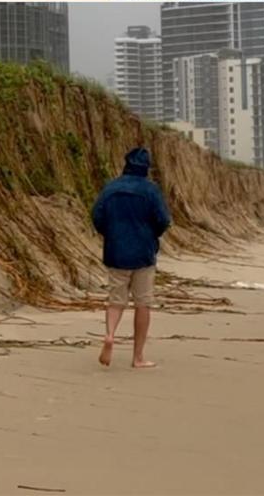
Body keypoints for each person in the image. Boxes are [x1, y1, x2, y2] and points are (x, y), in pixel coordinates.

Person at [92, 147, 171, 368]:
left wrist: (111, 234)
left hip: (116, 250)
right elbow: (163, 220)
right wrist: (151, 234)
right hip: (143, 252)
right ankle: (138, 357)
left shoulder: (111, 187)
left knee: (116, 300)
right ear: (146, 167)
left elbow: (97, 215)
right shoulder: (151, 190)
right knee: (142, 304)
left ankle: (110, 335)